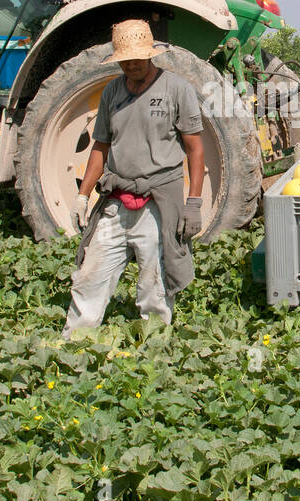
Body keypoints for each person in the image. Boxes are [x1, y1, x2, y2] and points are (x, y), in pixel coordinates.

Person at [63, 19, 205, 338]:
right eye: (124, 60)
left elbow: (196, 149)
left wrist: (193, 203)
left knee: (154, 283)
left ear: (150, 55)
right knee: (90, 275)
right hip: (116, 200)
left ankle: (153, 349)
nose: (131, 65)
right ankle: (75, 343)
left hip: (157, 202)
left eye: (137, 58)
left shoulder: (177, 89)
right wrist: (83, 195)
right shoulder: (113, 91)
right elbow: (100, 145)